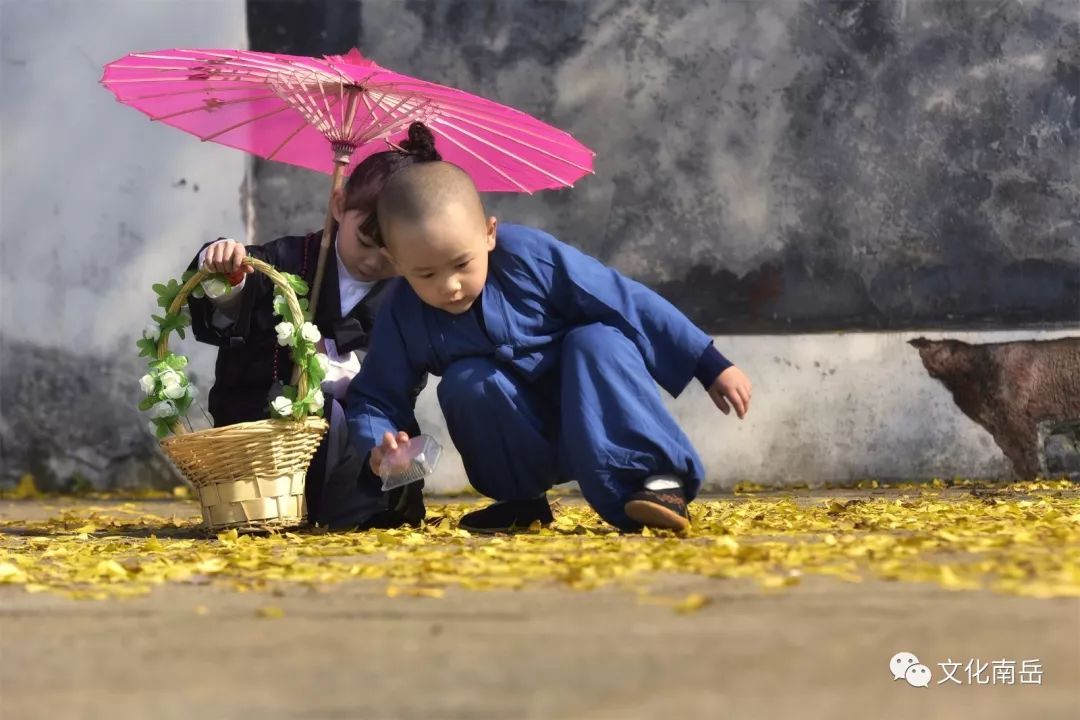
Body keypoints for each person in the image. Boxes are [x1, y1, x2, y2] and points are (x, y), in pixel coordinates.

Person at [346, 161, 753, 533]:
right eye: (426, 273)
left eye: (461, 264)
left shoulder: (529, 257)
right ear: (395, 261)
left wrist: (708, 362)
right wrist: (379, 446)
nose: (449, 285)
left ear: (489, 233)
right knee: (466, 381)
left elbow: (623, 300)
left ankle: (655, 483)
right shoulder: (402, 311)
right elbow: (377, 394)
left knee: (596, 340)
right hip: (520, 433)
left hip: (598, 409)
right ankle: (522, 502)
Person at [187, 122, 440, 529]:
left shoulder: (409, 295)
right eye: (366, 241)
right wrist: (226, 273)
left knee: (369, 442)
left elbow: (401, 383)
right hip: (271, 440)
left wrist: (349, 375)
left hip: (362, 442)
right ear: (339, 205)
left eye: (393, 250)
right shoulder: (286, 259)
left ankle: (366, 508)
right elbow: (233, 303)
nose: (376, 261)